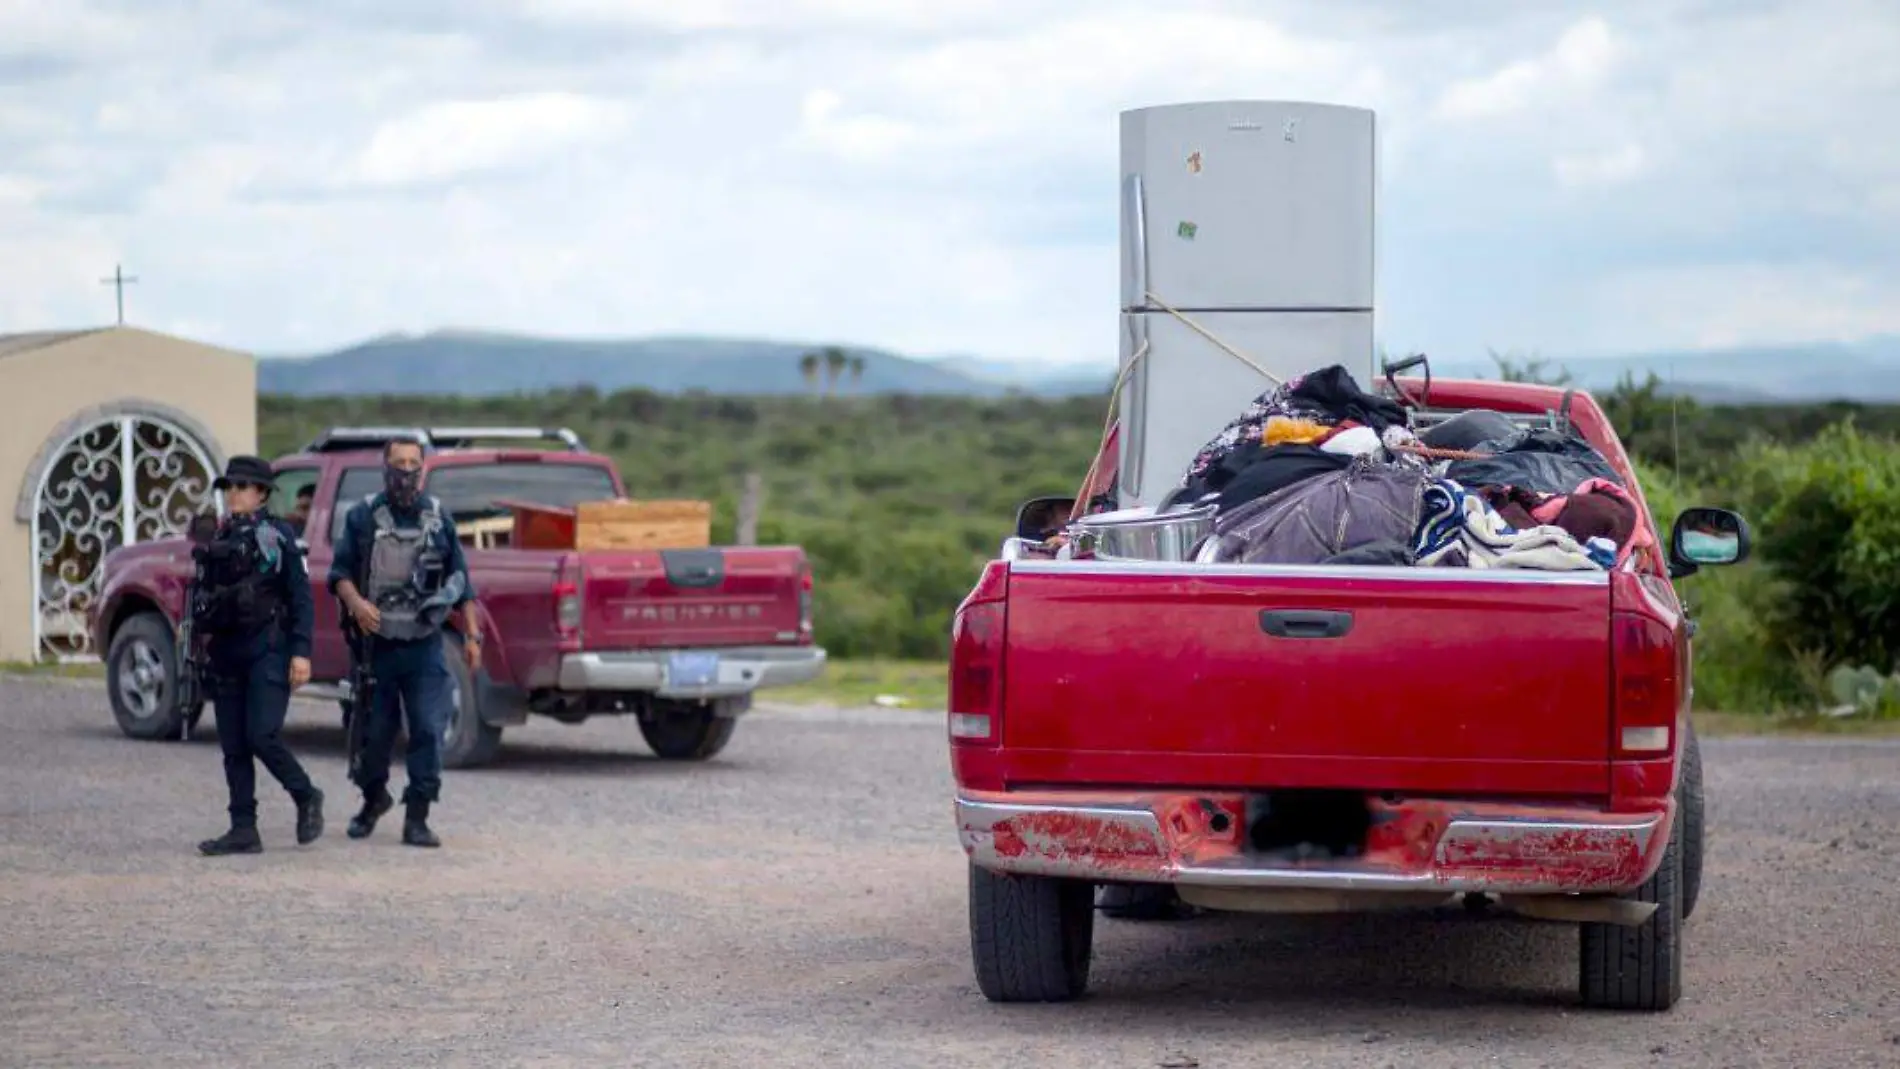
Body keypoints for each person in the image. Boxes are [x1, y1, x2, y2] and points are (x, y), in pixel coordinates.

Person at [326, 435, 480, 848]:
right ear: (385, 466)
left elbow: (462, 581)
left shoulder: (437, 518)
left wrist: (473, 636)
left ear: (423, 467)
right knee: (373, 736)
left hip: (424, 646)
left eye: (414, 462)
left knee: (428, 731)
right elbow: (338, 575)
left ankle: (418, 816)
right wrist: (357, 603)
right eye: (399, 462)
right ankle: (373, 800)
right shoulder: (363, 517)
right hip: (375, 649)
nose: (407, 470)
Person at [195, 455, 324, 856]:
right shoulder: (219, 537)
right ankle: (243, 828)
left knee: (262, 735)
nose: (233, 493)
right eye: (229, 486)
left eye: (242, 486)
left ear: (262, 493)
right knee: (233, 744)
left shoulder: (278, 536)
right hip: (226, 651)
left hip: (268, 648)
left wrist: (301, 652)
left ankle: (306, 795)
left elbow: (301, 599)